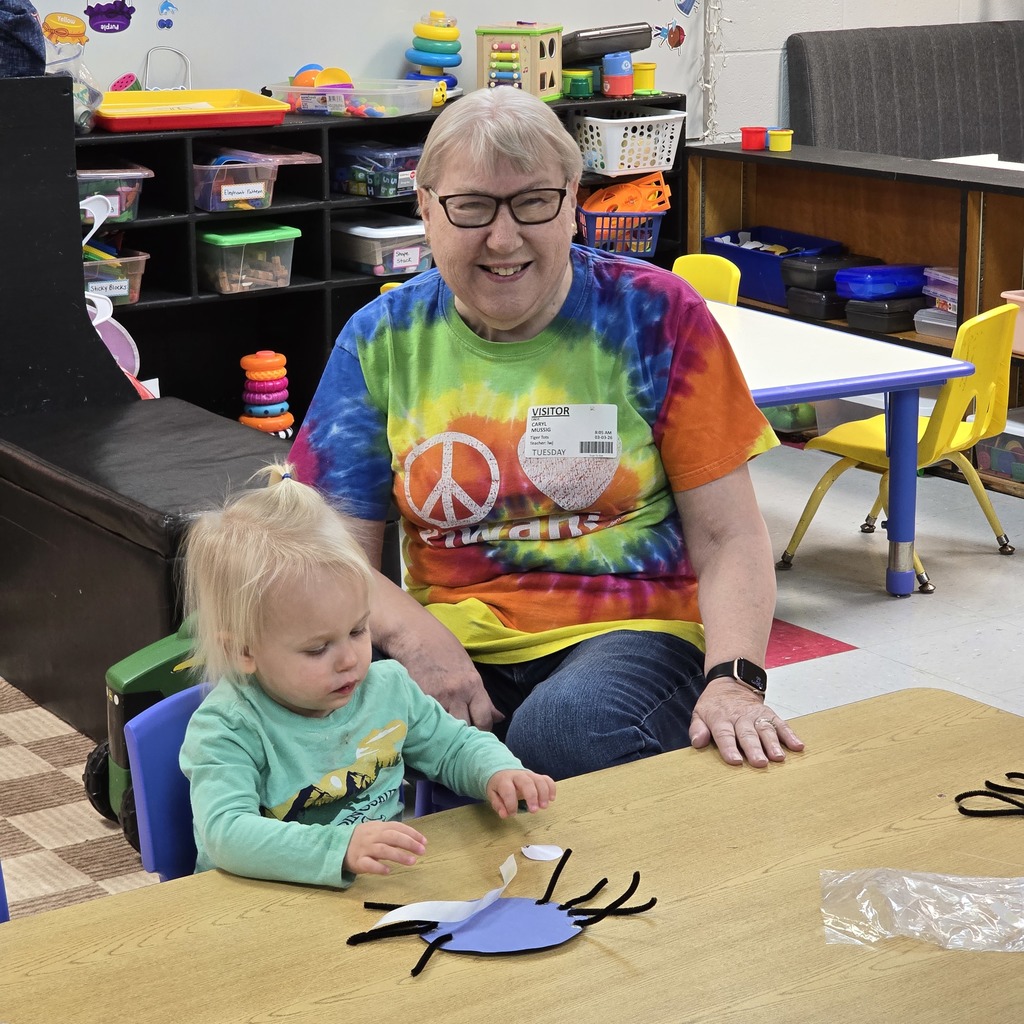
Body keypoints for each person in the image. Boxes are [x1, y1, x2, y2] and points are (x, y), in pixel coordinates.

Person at [289, 87, 804, 779]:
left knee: (565, 730)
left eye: (533, 202)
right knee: (247, 719)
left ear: (572, 201)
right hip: (453, 634)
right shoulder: (382, 339)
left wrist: (734, 678)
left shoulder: (656, 316)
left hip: (635, 632)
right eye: (471, 207)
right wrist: (414, 638)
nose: (504, 239)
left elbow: (730, 537)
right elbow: (335, 555)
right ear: (424, 206)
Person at [178, 463, 555, 887]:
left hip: (369, 893)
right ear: (242, 651)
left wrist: (497, 771)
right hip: (256, 906)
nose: (350, 659)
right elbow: (226, 834)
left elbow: (451, 747)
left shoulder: (387, 687)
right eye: (318, 648)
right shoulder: (228, 727)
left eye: (358, 630)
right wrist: (338, 848)